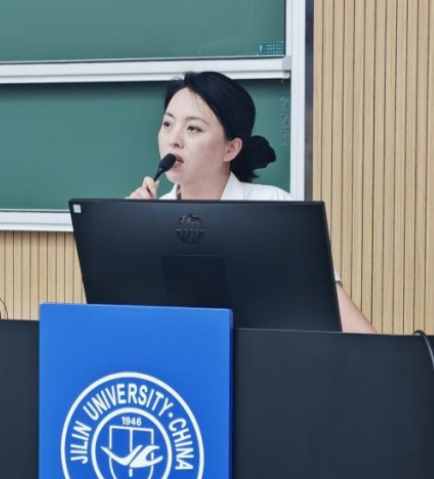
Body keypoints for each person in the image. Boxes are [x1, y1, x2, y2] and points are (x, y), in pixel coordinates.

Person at [129, 71, 377, 333]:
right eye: (167, 124)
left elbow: (337, 313)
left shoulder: (273, 208)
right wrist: (127, 232)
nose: (173, 139)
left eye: (193, 128)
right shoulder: (148, 217)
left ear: (231, 149)